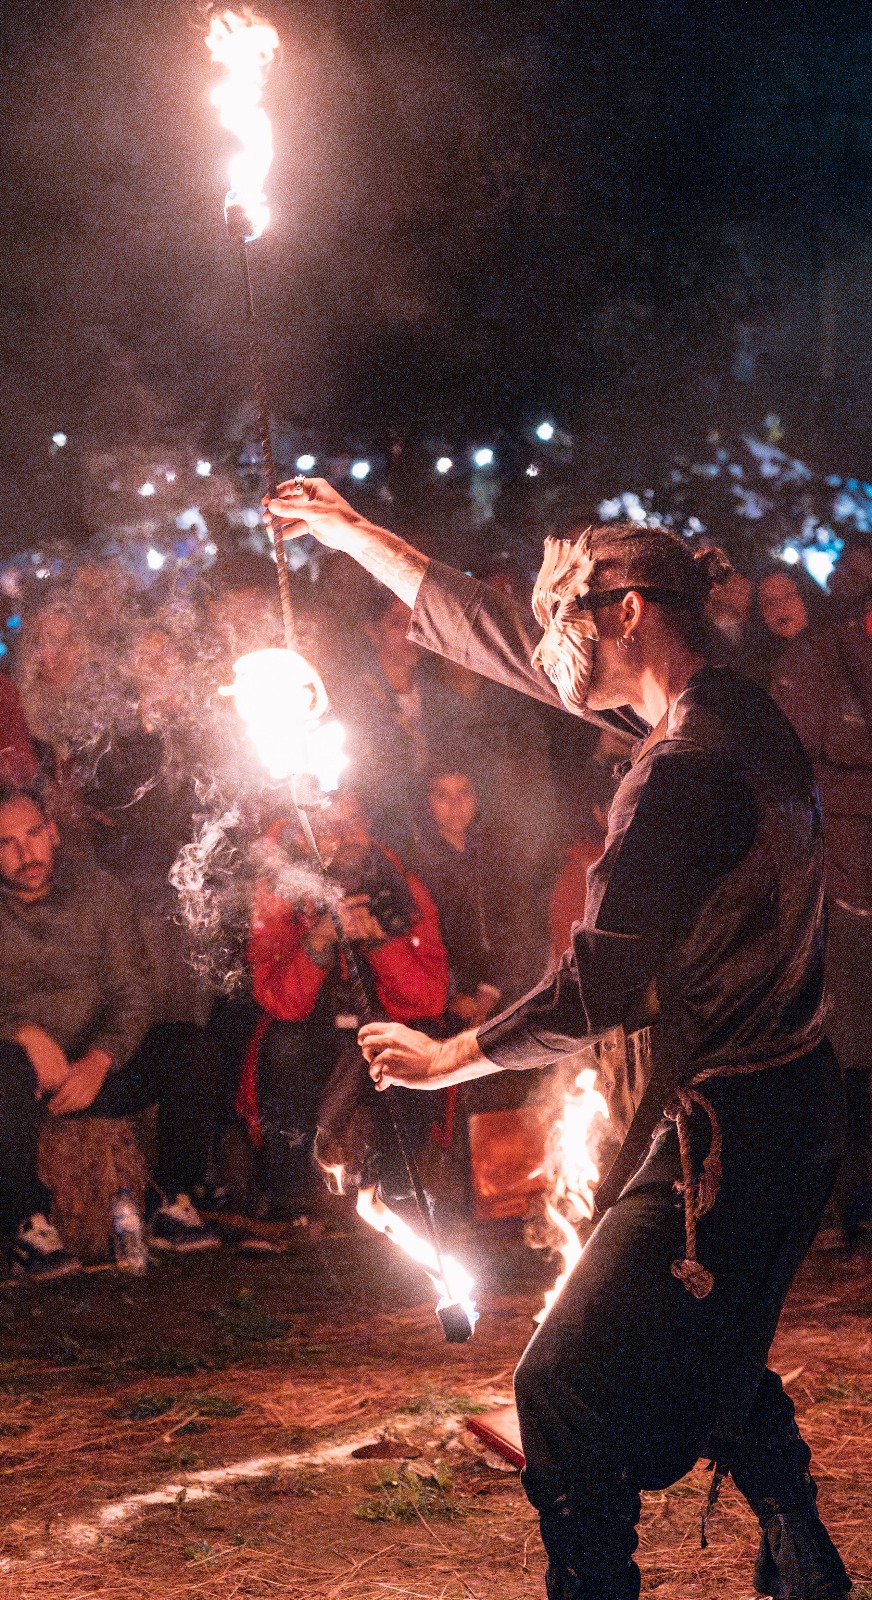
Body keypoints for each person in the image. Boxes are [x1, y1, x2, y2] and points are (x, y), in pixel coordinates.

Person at [266, 476, 848, 1600]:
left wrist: (448, 1055)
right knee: (708, 1340)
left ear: (626, 614)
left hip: (726, 1138)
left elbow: (589, 991)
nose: (548, 646)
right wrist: (357, 535)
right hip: (791, 1109)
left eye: (566, 617)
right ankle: (799, 1549)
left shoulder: (679, 772)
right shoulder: (732, 711)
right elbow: (503, 642)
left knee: (561, 1381)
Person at [0, 783, 220, 1278]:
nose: (25, 853)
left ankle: (171, 1203)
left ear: (52, 832)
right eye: (6, 843)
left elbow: (133, 992)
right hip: (22, 1079)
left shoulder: (98, 891)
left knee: (193, 1050)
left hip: (97, 1067)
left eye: (33, 834)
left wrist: (100, 1058)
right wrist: (23, 1034)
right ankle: (27, 1226)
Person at [237, 788, 450, 1223]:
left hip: (381, 1026)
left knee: (423, 1042)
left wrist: (379, 943)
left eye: (355, 822)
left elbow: (430, 998)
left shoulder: (400, 885)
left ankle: (397, 1192)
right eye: (332, 827)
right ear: (307, 835)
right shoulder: (281, 889)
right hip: (313, 1033)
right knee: (284, 1045)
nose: (348, 835)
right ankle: (293, 1196)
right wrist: (317, 942)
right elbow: (279, 1002)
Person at [773, 540, 872, 1245]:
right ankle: (843, 1205)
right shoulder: (811, 666)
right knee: (846, 1055)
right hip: (842, 890)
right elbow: (794, 771)